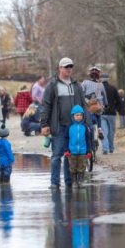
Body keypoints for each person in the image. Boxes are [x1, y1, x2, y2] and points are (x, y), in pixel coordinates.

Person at [40, 57, 89, 188]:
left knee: (71, 154)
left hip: (74, 127)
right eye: (66, 67)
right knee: (57, 155)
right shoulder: (52, 85)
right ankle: (54, 183)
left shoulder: (76, 85)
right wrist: (44, 124)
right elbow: (46, 106)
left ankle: (69, 182)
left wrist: (87, 123)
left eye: (70, 67)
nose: (69, 69)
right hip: (58, 126)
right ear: (60, 68)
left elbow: (83, 105)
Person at [64, 105, 93, 187]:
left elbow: (88, 139)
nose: (79, 117)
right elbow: (66, 138)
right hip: (71, 151)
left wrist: (89, 150)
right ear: (73, 116)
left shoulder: (85, 127)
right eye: (77, 115)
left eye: (80, 115)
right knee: (73, 167)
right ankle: (74, 181)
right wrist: (66, 149)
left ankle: (80, 181)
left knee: (82, 166)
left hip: (83, 151)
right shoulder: (69, 127)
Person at [101, 74, 119, 154]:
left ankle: (105, 148)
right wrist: (116, 108)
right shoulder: (113, 88)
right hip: (112, 113)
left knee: (104, 131)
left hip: (102, 112)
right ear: (108, 79)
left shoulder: (98, 89)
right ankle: (111, 148)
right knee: (111, 132)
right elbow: (118, 101)